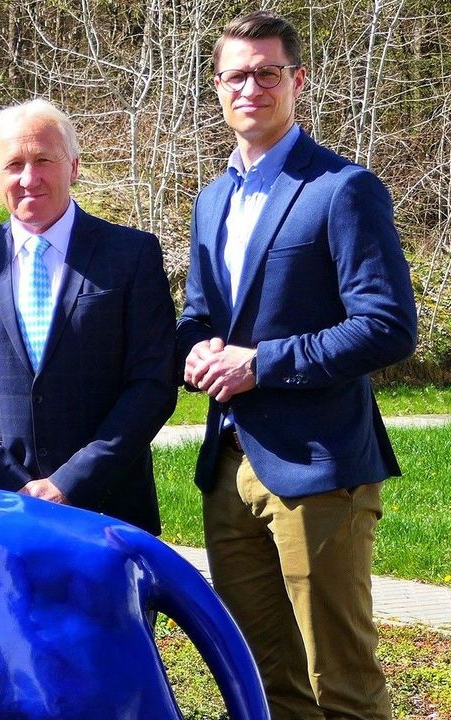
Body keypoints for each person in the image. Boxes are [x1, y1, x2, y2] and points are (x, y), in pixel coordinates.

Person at [177, 11, 418, 719]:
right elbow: (200, 311)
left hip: (318, 469)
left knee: (340, 682)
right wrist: (193, 345)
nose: (250, 86)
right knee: (262, 681)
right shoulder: (212, 199)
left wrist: (264, 364)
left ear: (297, 81)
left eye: (267, 72)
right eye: (235, 75)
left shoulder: (342, 190)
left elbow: (387, 327)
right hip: (227, 467)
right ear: (217, 88)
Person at [0, 99, 176, 534]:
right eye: (14, 164)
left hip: (109, 513)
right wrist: (10, 483)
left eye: (44, 160)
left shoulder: (132, 256)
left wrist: (69, 483)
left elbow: (152, 384)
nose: (29, 178)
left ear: (74, 166)